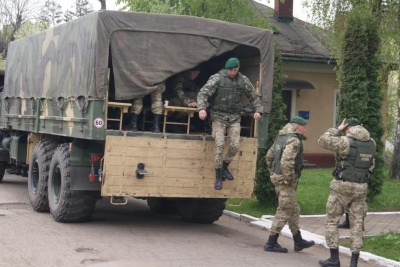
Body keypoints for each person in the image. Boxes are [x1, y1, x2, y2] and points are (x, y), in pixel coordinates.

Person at [197, 57, 262, 190]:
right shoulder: (217, 78)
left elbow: (254, 96)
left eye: (234, 70)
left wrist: (258, 110)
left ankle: (225, 166)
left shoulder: (243, 80)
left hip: (234, 117)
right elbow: (203, 93)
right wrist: (201, 108)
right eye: (230, 70)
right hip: (218, 116)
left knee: (235, 145)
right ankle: (218, 175)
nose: (232, 72)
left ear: (238, 69)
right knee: (220, 144)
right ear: (226, 69)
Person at [318, 118, 376, 267]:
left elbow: (323, 140)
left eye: (345, 129)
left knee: (332, 221)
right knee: (357, 225)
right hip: (361, 189)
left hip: (341, 188)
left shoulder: (346, 141)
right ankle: (353, 263)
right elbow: (371, 166)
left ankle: (334, 259)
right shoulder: (372, 143)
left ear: (348, 128)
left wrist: (337, 129)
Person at [264, 116, 315, 253]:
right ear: (298, 126)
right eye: (304, 127)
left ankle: (298, 241)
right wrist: (288, 178)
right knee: (285, 210)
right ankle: (271, 242)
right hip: (285, 181)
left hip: (278, 177)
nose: (305, 129)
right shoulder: (293, 140)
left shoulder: (281, 137)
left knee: (294, 209)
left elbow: (269, 156)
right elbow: (287, 161)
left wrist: (273, 173)